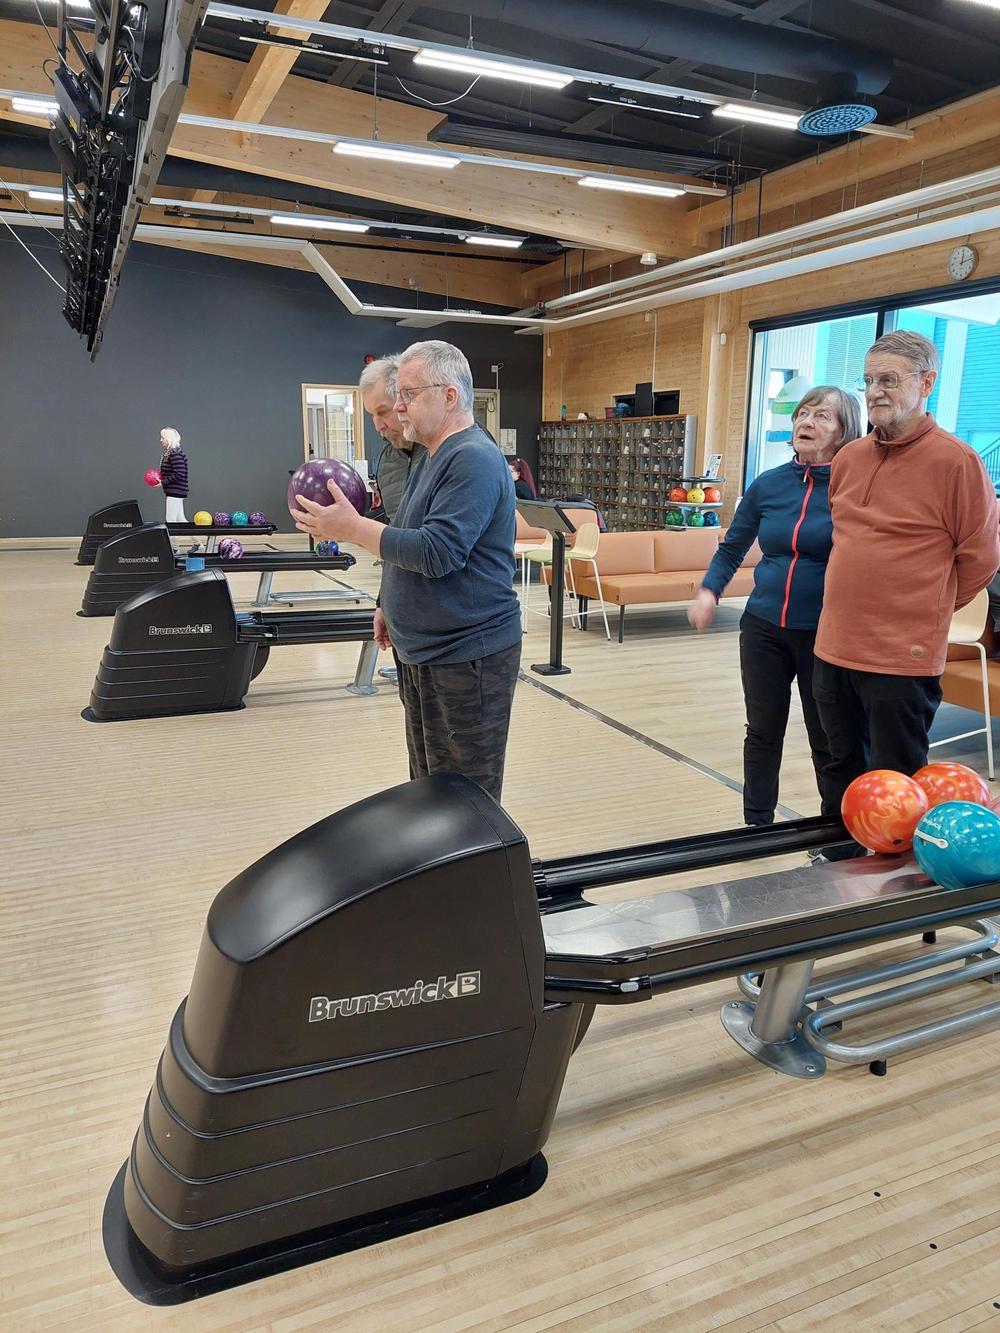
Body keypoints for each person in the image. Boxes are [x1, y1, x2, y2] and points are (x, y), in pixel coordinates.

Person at [292, 340, 522, 802]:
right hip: (425, 652)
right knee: (430, 787)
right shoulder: (432, 454)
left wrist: (353, 528)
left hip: (466, 656)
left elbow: (438, 551)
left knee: (465, 799)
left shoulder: (473, 458)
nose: (398, 408)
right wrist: (387, 604)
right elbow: (407, 533)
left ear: (449, 396)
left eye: (409, 395)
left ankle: (477, 854)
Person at [814, 330, 999, 801]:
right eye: (868, 380)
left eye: (889, 380)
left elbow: (980, 559)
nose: (875, 391)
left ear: (927, 383)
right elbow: (844, 537)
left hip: (902, 656)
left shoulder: (957, 462)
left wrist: (922, 608)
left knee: (895, 783)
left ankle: (888, 856)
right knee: (837, 766)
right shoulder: (849, 458)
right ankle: (836, 846)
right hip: (834, 645)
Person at [688, 387, 862, 826]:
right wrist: (709, 591)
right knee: (763, 730)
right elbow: (732, 547)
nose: (807, 422)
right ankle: (756, 824)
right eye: (803, 413)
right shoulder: (769, 484)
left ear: (844, 431)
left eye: (822, 416)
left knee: (829, 737)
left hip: (825, 634)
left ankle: (834, 830)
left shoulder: (856, 488)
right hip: (763, 627)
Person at [360, 356, 425, 523]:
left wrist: (358, 528)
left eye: (383, 412)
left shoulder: (447, 450)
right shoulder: (387, 459)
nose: (378, 426)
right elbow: (392, 520)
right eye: (372, 415)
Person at [157, 427, 188, 523]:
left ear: (169, 439)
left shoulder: (175, 454)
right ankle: (198, 534)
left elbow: (180, 474)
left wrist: (162, 482)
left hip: (176, 491)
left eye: (163, 438)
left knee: (171, 519)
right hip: (176, 491)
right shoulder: (171, 453)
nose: (160, 440)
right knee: (180, 519)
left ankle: (171, 536)